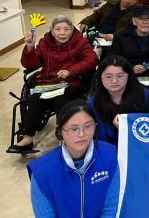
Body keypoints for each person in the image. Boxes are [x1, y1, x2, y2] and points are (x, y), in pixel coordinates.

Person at [24, 101, 118, 218]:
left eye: (88, 126)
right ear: (61, 131)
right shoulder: (43, 170)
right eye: (74, 129)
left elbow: (110, 210)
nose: (82, 134)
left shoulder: (111, 156)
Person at [8, 16, 98, 153]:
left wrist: (70, 71)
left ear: (72, 29)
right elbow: (31, 64)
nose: (62, 33)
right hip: (47, 83)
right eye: (58, 29)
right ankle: (28, 137)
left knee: (62, 99)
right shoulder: (44, 43)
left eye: (66, 29)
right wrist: (30, 48)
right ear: (52, 30)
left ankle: (63, 136)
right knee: (34, 100)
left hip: (70, 83)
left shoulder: (80, 42)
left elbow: (92, 59)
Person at [88, 56, 149, 144]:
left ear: (128, 76)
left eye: (119, 76)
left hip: (140, 147)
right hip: (105, 149)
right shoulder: (92, 104)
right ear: (100, 78)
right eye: (108, 77)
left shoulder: (145, 96)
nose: (114, 81)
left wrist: (128, 129)